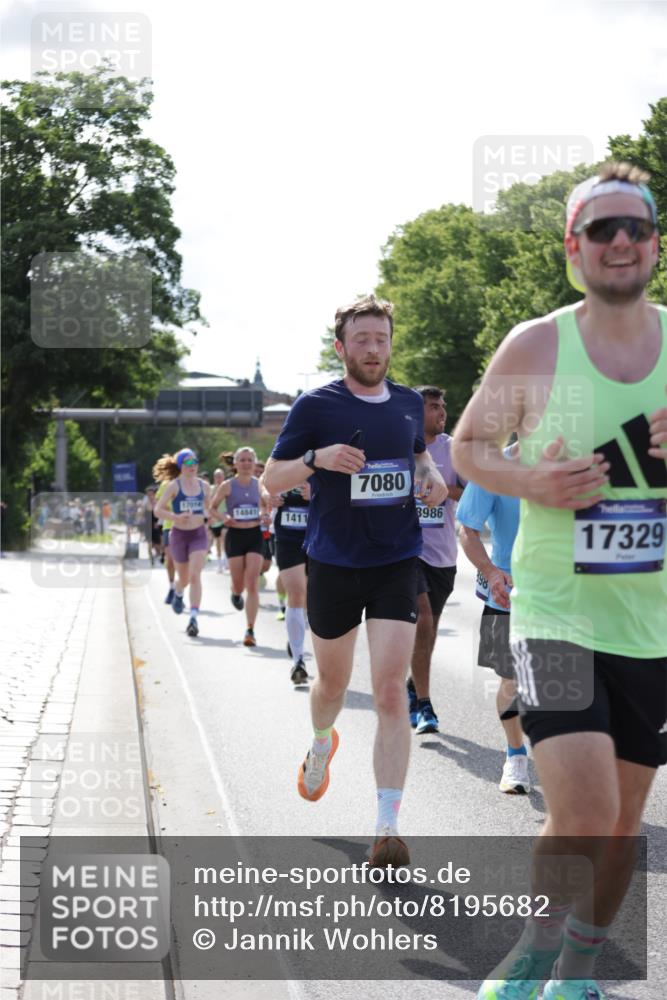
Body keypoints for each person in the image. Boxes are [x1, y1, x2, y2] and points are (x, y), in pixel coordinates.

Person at [451, 163, 667, 1000]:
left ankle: (578, 973)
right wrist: (531, 483)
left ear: (653, 243)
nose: (619, 242)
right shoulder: (537, 344)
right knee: (577, 814)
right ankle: (532, 953)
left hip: (650, 625)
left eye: (635, 228)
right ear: (572, 246)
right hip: (555, 615)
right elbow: (470, 450)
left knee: (618, 827)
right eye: (600, 229)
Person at [263, 294, 447, 866]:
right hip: (335, 564)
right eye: (362, 340)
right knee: (334, 688)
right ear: (341, 347)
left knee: (392, 691)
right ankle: (322, 743)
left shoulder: (410, 404)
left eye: (382, 339)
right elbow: (272, 480)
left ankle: (386, 825)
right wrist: (317, 458)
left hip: (396, 559)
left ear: (392, 344)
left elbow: (418, 457)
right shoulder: (316, 406)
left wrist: (431, 475)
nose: (373, 349)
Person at [456, 441, 529, 793]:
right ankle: (515, 754)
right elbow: (467, 529)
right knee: (511, 680)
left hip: (566, 595)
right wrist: (490, 572)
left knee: (569, 686)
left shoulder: (580, 457)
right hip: (509, 593)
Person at [406, 386, 463, 735]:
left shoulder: (455, 449)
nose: (441, 412)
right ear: (415, 413)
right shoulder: (398, 446)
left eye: (443, 406)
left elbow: (474, 491)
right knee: (422, 621)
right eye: (433, 407)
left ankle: (415, 683)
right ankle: (425, 705)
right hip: (407, 550)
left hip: (443, 554)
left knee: (430, 630)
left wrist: (441, 488)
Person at [210, 446, 266, 647]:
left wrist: (264, 514)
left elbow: (267, 505)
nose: (246, 463)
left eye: (249, 460)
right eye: (242, 460)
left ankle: (250, 629)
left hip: (254, 535)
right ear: (235, 464)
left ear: (254, 463)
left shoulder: (260, 485)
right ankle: (235, 592)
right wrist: (224, 517)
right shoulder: (227, 485)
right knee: (239, 583)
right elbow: (212, 508)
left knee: (252, 583)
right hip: (235, 535)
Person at [154, 449, 211, 637]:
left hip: (198, 535)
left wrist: (208, 517)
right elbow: (158, 510)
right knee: (184, 578)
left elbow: (208, 511)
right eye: (187, 463)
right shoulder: (173, 486)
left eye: (194, 462)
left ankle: (193, 617)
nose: (192, 465)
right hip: (179, 535)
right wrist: (176, 517)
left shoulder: (204, 487)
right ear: (180, 466)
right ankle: (178, 591)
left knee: (195, 575)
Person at [261, 477, 311, 685]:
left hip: (319, 534)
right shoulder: (285, 451)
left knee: (311, 597)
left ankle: (297, 631)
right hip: (287, 536)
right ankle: (298, 660)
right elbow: (264, 481)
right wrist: (268, 495)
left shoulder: (327, 450)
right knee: (297, 593)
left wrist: (317, 491)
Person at [209, 468, 228, 573]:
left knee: (224, 537)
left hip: (225, 517)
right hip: (215, 518)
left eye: (220, 476)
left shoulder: (227, 487)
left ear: (223, 477)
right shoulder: (211, 489)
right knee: (217, 541)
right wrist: (210, 517)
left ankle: (226, 560)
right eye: (216, 476)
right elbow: (208, 504)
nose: (218, 478)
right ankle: (220, 562)